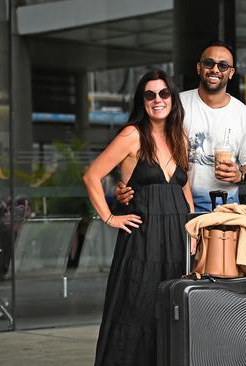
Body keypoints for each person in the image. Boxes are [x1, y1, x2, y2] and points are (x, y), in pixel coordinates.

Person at [83, 69, 194, 366]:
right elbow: (92, 176)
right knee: (137, 309)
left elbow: (184, 189)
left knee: (176, 310)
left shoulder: (179, 136)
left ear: (172, 98)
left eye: (163, 93)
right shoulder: (132, 134)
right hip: (143, 239)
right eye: (149, 95)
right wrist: (109, 218)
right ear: (142, 100)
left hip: (178, 238)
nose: (157, 100)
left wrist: (194, 230)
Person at [117, 41, 246, 211]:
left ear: (231, 73)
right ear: (199, 68)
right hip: (175, 200)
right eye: (209, 63)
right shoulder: (176, 105)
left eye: (223, 65)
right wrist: (126, 183)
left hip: (224, 203)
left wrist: (240, 175)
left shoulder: (245, 115)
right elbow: (142, 142)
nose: (215, 70)